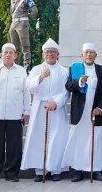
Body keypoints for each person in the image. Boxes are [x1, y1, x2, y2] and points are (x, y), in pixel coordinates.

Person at [21, 39, 70, 181]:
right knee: (39, 138)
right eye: (47, 52)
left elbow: (66, 92)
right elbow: (29, 87)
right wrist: (40, 77)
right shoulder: (36, 69)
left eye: (52, 52)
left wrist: (56, 102)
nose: (50, 54)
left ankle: (55, 170)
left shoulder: (63, 71)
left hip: (56, 108)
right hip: (39, 108)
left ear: (57, 54)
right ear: (43, 54)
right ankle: (40, 170)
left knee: (57, 138)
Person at [0, 43, 31, 182]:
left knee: (14, 146)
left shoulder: (21, 71)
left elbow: (26, 92)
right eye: (5, 52)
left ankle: (11, 173)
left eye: (11, 52)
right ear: (1, 55)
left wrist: (27, 110)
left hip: (15, 115)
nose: (8, 54)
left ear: (15, 55)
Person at [62, 43, 102, 182]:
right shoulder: (75, 68)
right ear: (82, 55)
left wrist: (100, 109)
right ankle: (78, 171)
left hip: (96, 112)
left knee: (97, 141)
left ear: (96, 55)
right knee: (79, 141)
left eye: (92, 52)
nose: (89, 55)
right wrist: (80, 82)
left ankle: (97, 170)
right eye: (86, 52)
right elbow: (68, 87)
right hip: (80, 112)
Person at [9, 0, 38, 71]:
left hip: (22, 23)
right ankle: (15, 63)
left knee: (25, 45)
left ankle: (26, 64)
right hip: (13, 22)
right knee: (13, 46)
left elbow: (34, 11)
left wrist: (27, 18)